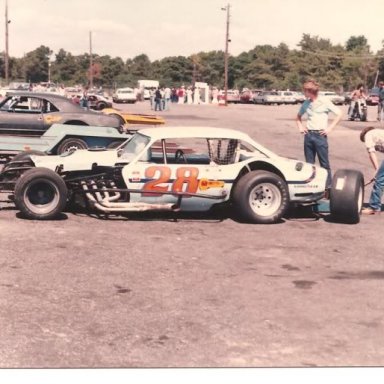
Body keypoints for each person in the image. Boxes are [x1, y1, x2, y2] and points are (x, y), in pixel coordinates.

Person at [296, 79, 343, 188]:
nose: (304, 93)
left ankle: (328, 188)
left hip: (320, 136)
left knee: (324, 164)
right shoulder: (306, 103)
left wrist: (329, 128)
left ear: (310, 91)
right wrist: (301, 127)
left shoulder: (324, 101)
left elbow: (339, 114)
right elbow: (298, 116)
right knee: (309, 164)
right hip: (308, 136)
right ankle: (311, 186)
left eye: (305, 91)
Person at [360, 126, 384, 214]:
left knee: (379, 181)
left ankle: (374, 207)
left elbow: (371, 153)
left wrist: (377, 170)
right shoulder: (379, 133)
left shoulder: (368, 135)